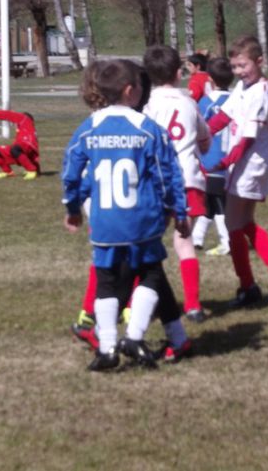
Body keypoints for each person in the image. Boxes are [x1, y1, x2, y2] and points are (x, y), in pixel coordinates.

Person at [62, 59, 191, 370]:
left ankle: (107, 348)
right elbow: (166, 174)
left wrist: (72, 207)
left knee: (106, 282)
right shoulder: (146, 129)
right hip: (141, 219)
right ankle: (133, 336)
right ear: (131, 90)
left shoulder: (89, 127)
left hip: (105, 222)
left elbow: (72, 172)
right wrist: (177, 209)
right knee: (150, 273)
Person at [204, 35, 268, 307]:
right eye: (234, 67)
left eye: (243, 65)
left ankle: (252, 283)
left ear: (259, 61)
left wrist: (224, 161)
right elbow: (224, 116)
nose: (239, 72)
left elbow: (248, 138)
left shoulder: (261, 92)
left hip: (249, 165)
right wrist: (201, 133)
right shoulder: (243, 88)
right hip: (240, 165)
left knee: (234, 225)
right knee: (243, 223)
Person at [142, 45, 212, 323]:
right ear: (178, 72)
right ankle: (193, 305)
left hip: (158, 182)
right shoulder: (188, 103)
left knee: (146, 243)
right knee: (185, 242)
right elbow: (205, 141)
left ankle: (141, 304)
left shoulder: (148, 107)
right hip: (189, 180)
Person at [194, 57, 233, 256]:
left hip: (211, 157)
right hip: (231, 160)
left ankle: (226, 241)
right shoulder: (235, 100)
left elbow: (198, 128)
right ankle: (197, 238)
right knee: (211, 199)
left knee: (217, 201)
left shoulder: (206, 102)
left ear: (210, 79)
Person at [0, 108, 40, 180]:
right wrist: (38, 170)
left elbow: (7, 114)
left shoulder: (24, 118)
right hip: (21, 149)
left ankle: (31, 170)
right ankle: (7, 172)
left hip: (23, 147)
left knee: (15, 149)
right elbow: (33, 156)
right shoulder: (25, 130)